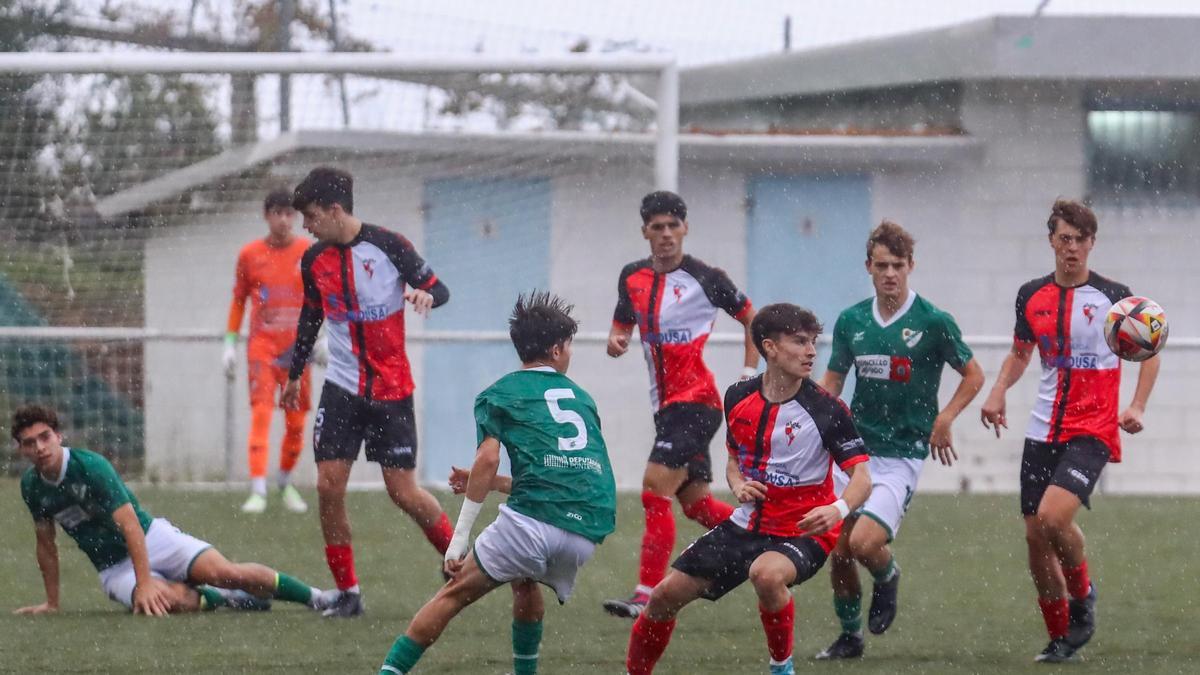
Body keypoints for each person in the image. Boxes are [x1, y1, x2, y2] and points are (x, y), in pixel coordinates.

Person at [625, 303, 871, 675]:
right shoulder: (738, 396)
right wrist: (738, 484)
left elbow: (863, 479)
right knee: (662, 597)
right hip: (746, 526)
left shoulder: (828, 410)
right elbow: (734, 458)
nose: (810, 352)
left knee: (766, 574)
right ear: (769, 348)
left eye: (813, 343)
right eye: (799, 342)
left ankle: (781, 668)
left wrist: (836, 509)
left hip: (801, 530)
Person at [378, 292, 616, 675]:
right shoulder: (583, 400)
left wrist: (458, 539)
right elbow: (562, 471)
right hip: (585, 532)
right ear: (556, 351)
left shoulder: (499, 393)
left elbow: (487, 458)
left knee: (453, 595)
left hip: (532, 525)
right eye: (568, 346)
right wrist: (491, 484)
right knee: (523, 581)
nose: (569, 354)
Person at [980, 199, 1160, 663]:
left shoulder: (1115, 297)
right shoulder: (1031, 294)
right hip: (1042, 431)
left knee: (1053, 519)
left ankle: (1083, 597)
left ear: (1092, 243)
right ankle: (1061, 640)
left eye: (1081, 240)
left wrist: (1137, 405)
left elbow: (1151, 349)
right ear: (1052, 242)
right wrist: (998, 391)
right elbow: (1021, 353)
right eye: (1065, 239)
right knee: (1035, 540)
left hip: (1093, 430)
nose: (1073, 248)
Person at [282, 166, 454, 618]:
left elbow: (440, 288)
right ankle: (348, 593)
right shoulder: (313, 260)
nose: (306, 225)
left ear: (336, 210)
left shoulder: (390, 245)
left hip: (392, 391)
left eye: (312, 216)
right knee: (328, 486)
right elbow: (310, 318)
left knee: (403, 493)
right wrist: (295, 373)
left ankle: (458, 560)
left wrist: (426, 297)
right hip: (341, 389)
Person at [814, 221, 984, 659]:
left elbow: (974, 374)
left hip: (901, 455)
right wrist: (810, 417)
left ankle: (887, 576)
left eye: (898, 265)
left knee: (864, 543)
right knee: (839, 548)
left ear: (911, 266)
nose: (890, 273)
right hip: (856, 454)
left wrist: (945, 417)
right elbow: (833, 379)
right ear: (868, 267)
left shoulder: (932, 321)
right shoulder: (852, 320)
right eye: (882, 265)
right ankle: (850, 637)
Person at [11, 404, 339, 617]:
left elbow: (131, 527)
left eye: (45, 437)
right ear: (21, 448)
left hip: (152, 537)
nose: (40, 448)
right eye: (30, 442)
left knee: (229, 572)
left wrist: (146, 581)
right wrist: (52, 604)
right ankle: (222, 598)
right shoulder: (32, 487)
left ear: (59, 436)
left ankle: (318, 597)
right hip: (113, 569)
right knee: (166, 603)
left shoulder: (91, 466)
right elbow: (46, 547)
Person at [603, 190, 758, 620]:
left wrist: (748, 375)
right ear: (645, 232)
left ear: (685, 228)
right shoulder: (632, 276)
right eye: (658, 227)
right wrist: (617, 340)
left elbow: (752, 319)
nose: (666, 234)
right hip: (666, 408)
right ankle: (764, 540)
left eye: (673, 226)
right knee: (697, 504)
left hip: (698, 402)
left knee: (655, 487)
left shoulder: (706, 278)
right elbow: (621, 323)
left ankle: (645, 593)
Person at [223, 188, 313, 514]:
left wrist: (325, 338)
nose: (285, 220)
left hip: (298, 352)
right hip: (262, 348)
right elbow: (238, 300)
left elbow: (321, 300)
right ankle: (258, 489)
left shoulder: (308, 252)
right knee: (261, 414)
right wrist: (229, 343)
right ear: (267, 215)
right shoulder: (250, 255)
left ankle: (285, 483)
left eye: (290, 213)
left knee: (296, 422)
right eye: (279, 213)